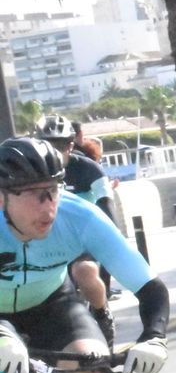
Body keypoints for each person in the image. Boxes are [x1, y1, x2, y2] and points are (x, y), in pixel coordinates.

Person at [0, 138, 170, 373]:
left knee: (93, 370)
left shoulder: (78, 216)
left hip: (50, 303)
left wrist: (154, 338)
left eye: (53, 192)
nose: (48, 207)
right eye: (35, 195)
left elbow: (149, 287)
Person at [36, 115, 118, 340]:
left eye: (61, 146)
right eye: (48, 145)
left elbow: (106, 202)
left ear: (71, 146)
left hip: (83, 237)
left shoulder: (89, 168)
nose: (55, 151)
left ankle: (101, 312)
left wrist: (110, 235)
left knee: (84, 271)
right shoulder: (32, 172)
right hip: (46, 239)